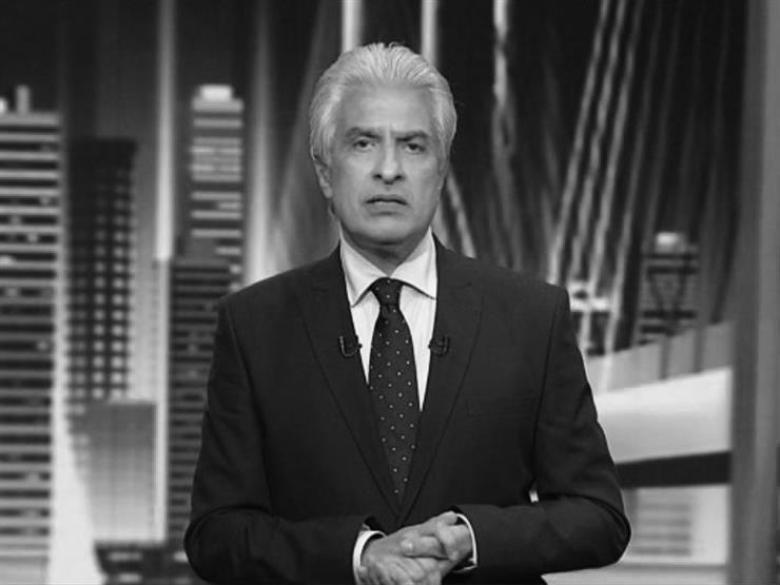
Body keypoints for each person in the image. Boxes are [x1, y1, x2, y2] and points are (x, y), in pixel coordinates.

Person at [185, 43, 630, 585]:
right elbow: (216, 534)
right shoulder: (254, 326)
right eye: (363, 143)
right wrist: (359, 555)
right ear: (324, 172)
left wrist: (471, 537)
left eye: (413, 146)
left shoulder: (532, 317)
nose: (389, 170)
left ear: (440, 171)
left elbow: (598, 516)